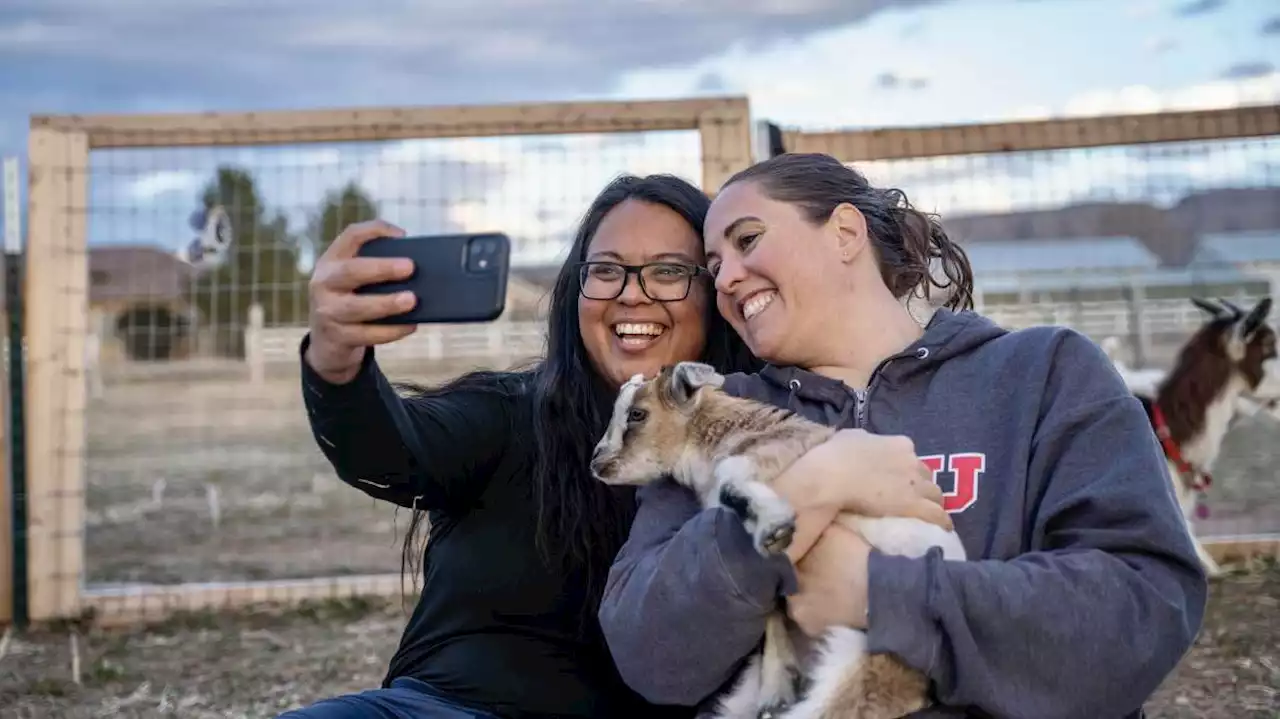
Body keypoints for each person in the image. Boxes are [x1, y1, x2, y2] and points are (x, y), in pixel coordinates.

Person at [279, 172, 951, 719]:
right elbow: (389, 450)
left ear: (713, 295)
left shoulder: (764, 436)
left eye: (668, 271)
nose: (634, 296)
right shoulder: (510, 414)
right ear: (577, 289)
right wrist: (337, 361)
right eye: (606, 270)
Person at [598, 153, 1209, 719]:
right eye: (713, 267)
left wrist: (880, 593)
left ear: (844, 233)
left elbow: (1141, 609)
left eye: (748, 241)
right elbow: (647, 652)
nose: (727, 277)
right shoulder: (720, 414)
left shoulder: (1041, 375)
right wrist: (806, 487)